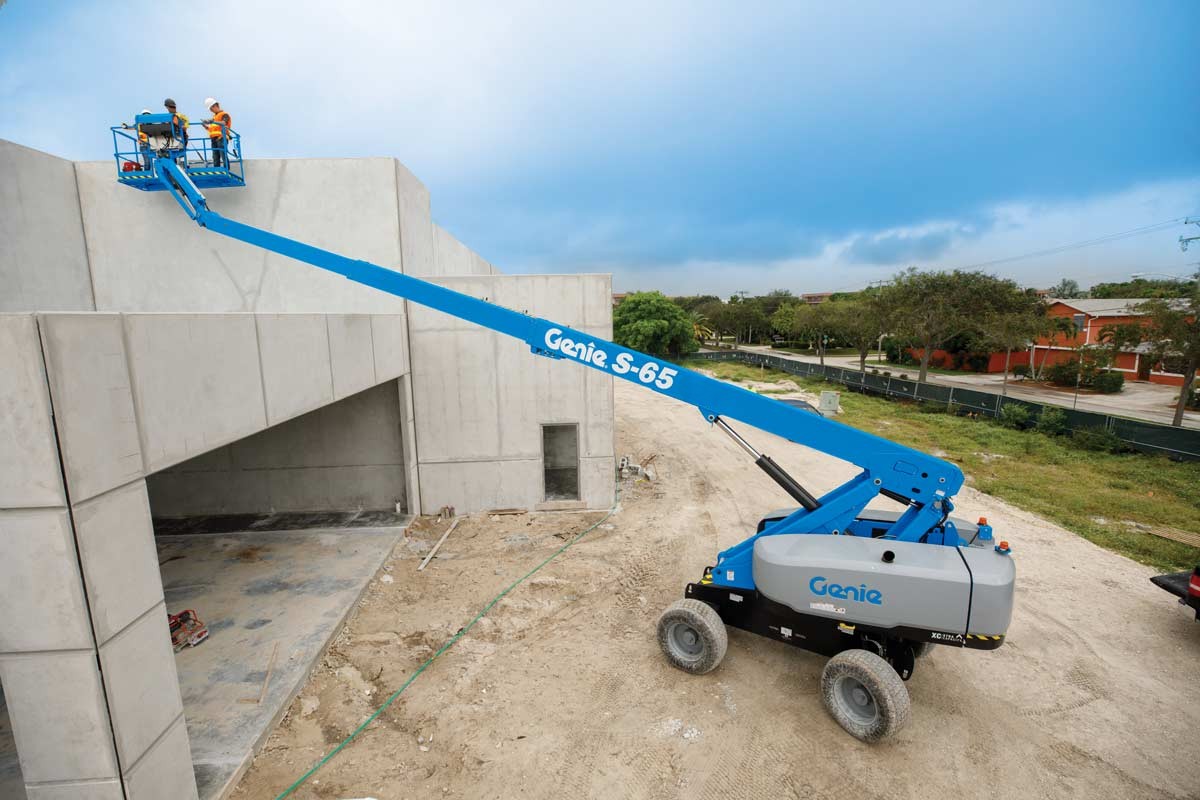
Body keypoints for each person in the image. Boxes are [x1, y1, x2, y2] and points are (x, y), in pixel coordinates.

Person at [202, 97, 232, 167]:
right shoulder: (215, 117)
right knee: (215, 156)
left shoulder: (224, 114)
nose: (211, 110)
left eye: (211, 108)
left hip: (222, 137)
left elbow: (224, 123)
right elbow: (213, 129)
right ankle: (216, 169)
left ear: (215, 105)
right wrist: (206, 126)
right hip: (214, 139)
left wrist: (212, 121)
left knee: (223, 154)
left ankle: (226, 168)